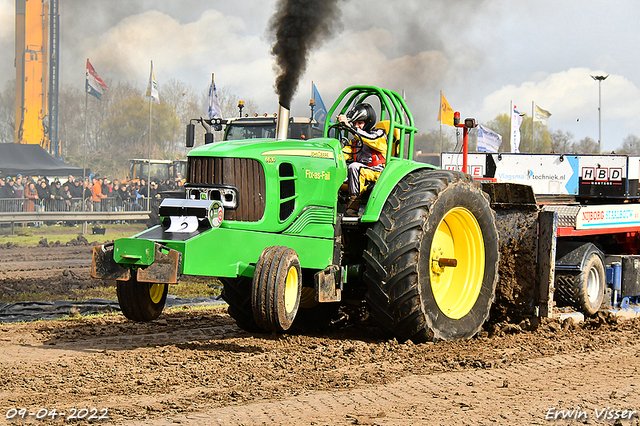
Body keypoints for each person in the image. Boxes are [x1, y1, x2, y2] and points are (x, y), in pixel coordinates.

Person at [337, 103, 387, 216]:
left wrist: (350, 127)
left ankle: (353, 207)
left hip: (377, 173)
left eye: (360, 123)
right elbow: (343, 154)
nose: (357, 126)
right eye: (355, 123)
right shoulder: (356, 141)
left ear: (368, 122)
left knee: (354, 166)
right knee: (337, 174)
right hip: (360, 173)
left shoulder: (379, 134)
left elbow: (369, 139)